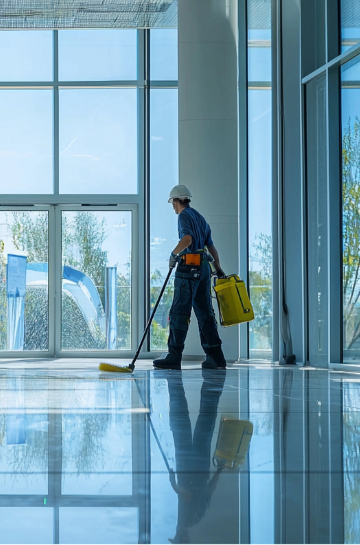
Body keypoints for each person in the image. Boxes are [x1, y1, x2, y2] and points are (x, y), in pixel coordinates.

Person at [153, 184, 228, 370]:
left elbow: (187, 239)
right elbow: (211, 247)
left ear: (177, 201)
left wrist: (173, 254)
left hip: (189, 266)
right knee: (205, 313)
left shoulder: (184, 215)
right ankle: (216, 357)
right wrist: (217, 268)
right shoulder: (200, 218)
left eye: (173, 203)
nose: (173, 206)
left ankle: (174, 356)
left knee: (179, 311)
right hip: (203, 268)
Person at [164, 370, 227, 544]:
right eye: (176, 539)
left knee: (205, 421)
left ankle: (213, 381)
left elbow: (208, 492)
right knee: (180, 419)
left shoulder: (197, 518)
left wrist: (218, 472)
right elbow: (188, 496)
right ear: (181, 538)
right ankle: (175, 383)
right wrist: (173, 483)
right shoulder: (186, 520)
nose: (175, 536)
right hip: (188, 466)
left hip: (200, 464)